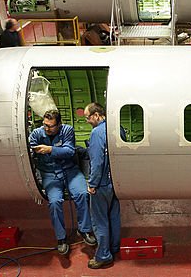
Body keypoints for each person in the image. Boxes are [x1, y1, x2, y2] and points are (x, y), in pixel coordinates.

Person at [28, 110, 97, 255]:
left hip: (70, 170)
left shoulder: (67, 130)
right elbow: (31, 148)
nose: (47, 129)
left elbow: (70, 151)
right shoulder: (37, 133)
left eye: (51, 126)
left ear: (59, 124)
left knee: (83, 194)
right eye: (45, 125)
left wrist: (50, 149)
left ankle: (84, 230)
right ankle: (61, 238)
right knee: (54, 202)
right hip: (50, 173)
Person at [83, 102, 121, 269]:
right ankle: (114, 247)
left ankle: (104, 255)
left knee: (100, 220)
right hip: (116, 183)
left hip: (102, 184)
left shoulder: (97, 133)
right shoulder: (118, 129)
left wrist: (92, 183)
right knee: (113, 216)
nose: (87, 121)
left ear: (96, 115)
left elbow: (97, 162)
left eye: (87, 118)